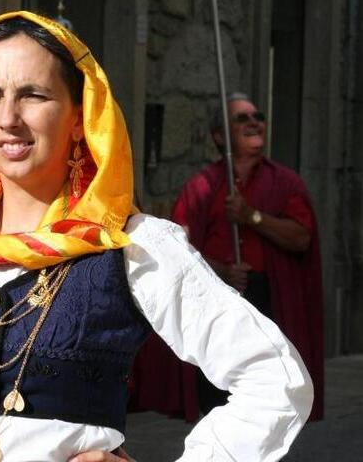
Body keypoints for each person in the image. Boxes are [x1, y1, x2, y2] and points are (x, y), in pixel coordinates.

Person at [0, 12, 312, 461]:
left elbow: (273, 377)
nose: (9, 118)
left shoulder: (131, 246)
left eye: (33, 95)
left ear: (78, 118)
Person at [130, 93, 324, 422]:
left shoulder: (287, 183)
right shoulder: (200, 188)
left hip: (268, 299)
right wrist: (220, 271)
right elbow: (176, 251)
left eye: (257, 116)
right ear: (220, 136)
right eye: (242, 118)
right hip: (218, 299)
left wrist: (252, 217)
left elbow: (301, 238)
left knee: (268, 390)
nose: (253, 122)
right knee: (219, 396)